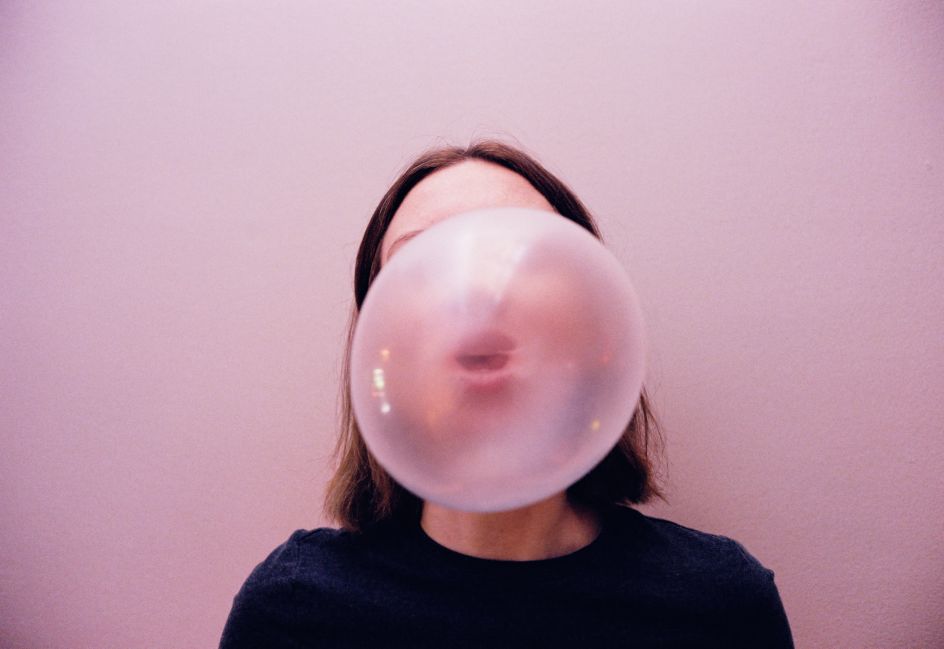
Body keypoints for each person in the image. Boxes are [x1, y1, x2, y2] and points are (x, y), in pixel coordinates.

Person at [219, 140, 794, 648]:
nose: (477, 289)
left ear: (592, 315)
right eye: (422, 260)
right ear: (378, 343)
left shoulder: (721, 607)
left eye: (523, 253)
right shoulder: (294, 612)